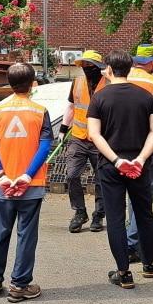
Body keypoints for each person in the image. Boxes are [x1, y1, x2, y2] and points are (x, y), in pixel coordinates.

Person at [87, 49, 153, 289]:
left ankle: (123, 272)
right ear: (130, 69)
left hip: (111, 166)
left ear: (109, 69)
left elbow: (94, 134)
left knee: (116, 217)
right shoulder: (145, 97)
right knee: (143, 213)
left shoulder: (99, 98)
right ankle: (149, 264)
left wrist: (116, 160)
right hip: (140, 165)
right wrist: (140, 158)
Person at [0, 62, 54, 303]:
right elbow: (45, 146)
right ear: (33, 83)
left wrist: (1, 175)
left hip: (3, 185)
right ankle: (19, 286)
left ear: (9, 83)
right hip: (31, 185)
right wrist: (27, 175)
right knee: (26, 235)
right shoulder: (39, 111)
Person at [125, 43, 153, 261]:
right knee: (143, 196)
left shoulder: (121, 78)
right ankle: (134, 243)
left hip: (122, 145)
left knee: (130, 194)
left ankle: (131, 240)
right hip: (147, 146)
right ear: (151, 63)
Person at [61, 50, 108, 233]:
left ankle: (99, 215)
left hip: (101, 139)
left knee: (101, 179)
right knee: (72, 175)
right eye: (84, 65)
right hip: (78, 137)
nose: (87, 68)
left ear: (98, 67)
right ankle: (80, 212)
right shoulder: (78, 82)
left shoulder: (109, 84)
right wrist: (63, 129)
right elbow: (71, 106)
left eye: (90, 65)